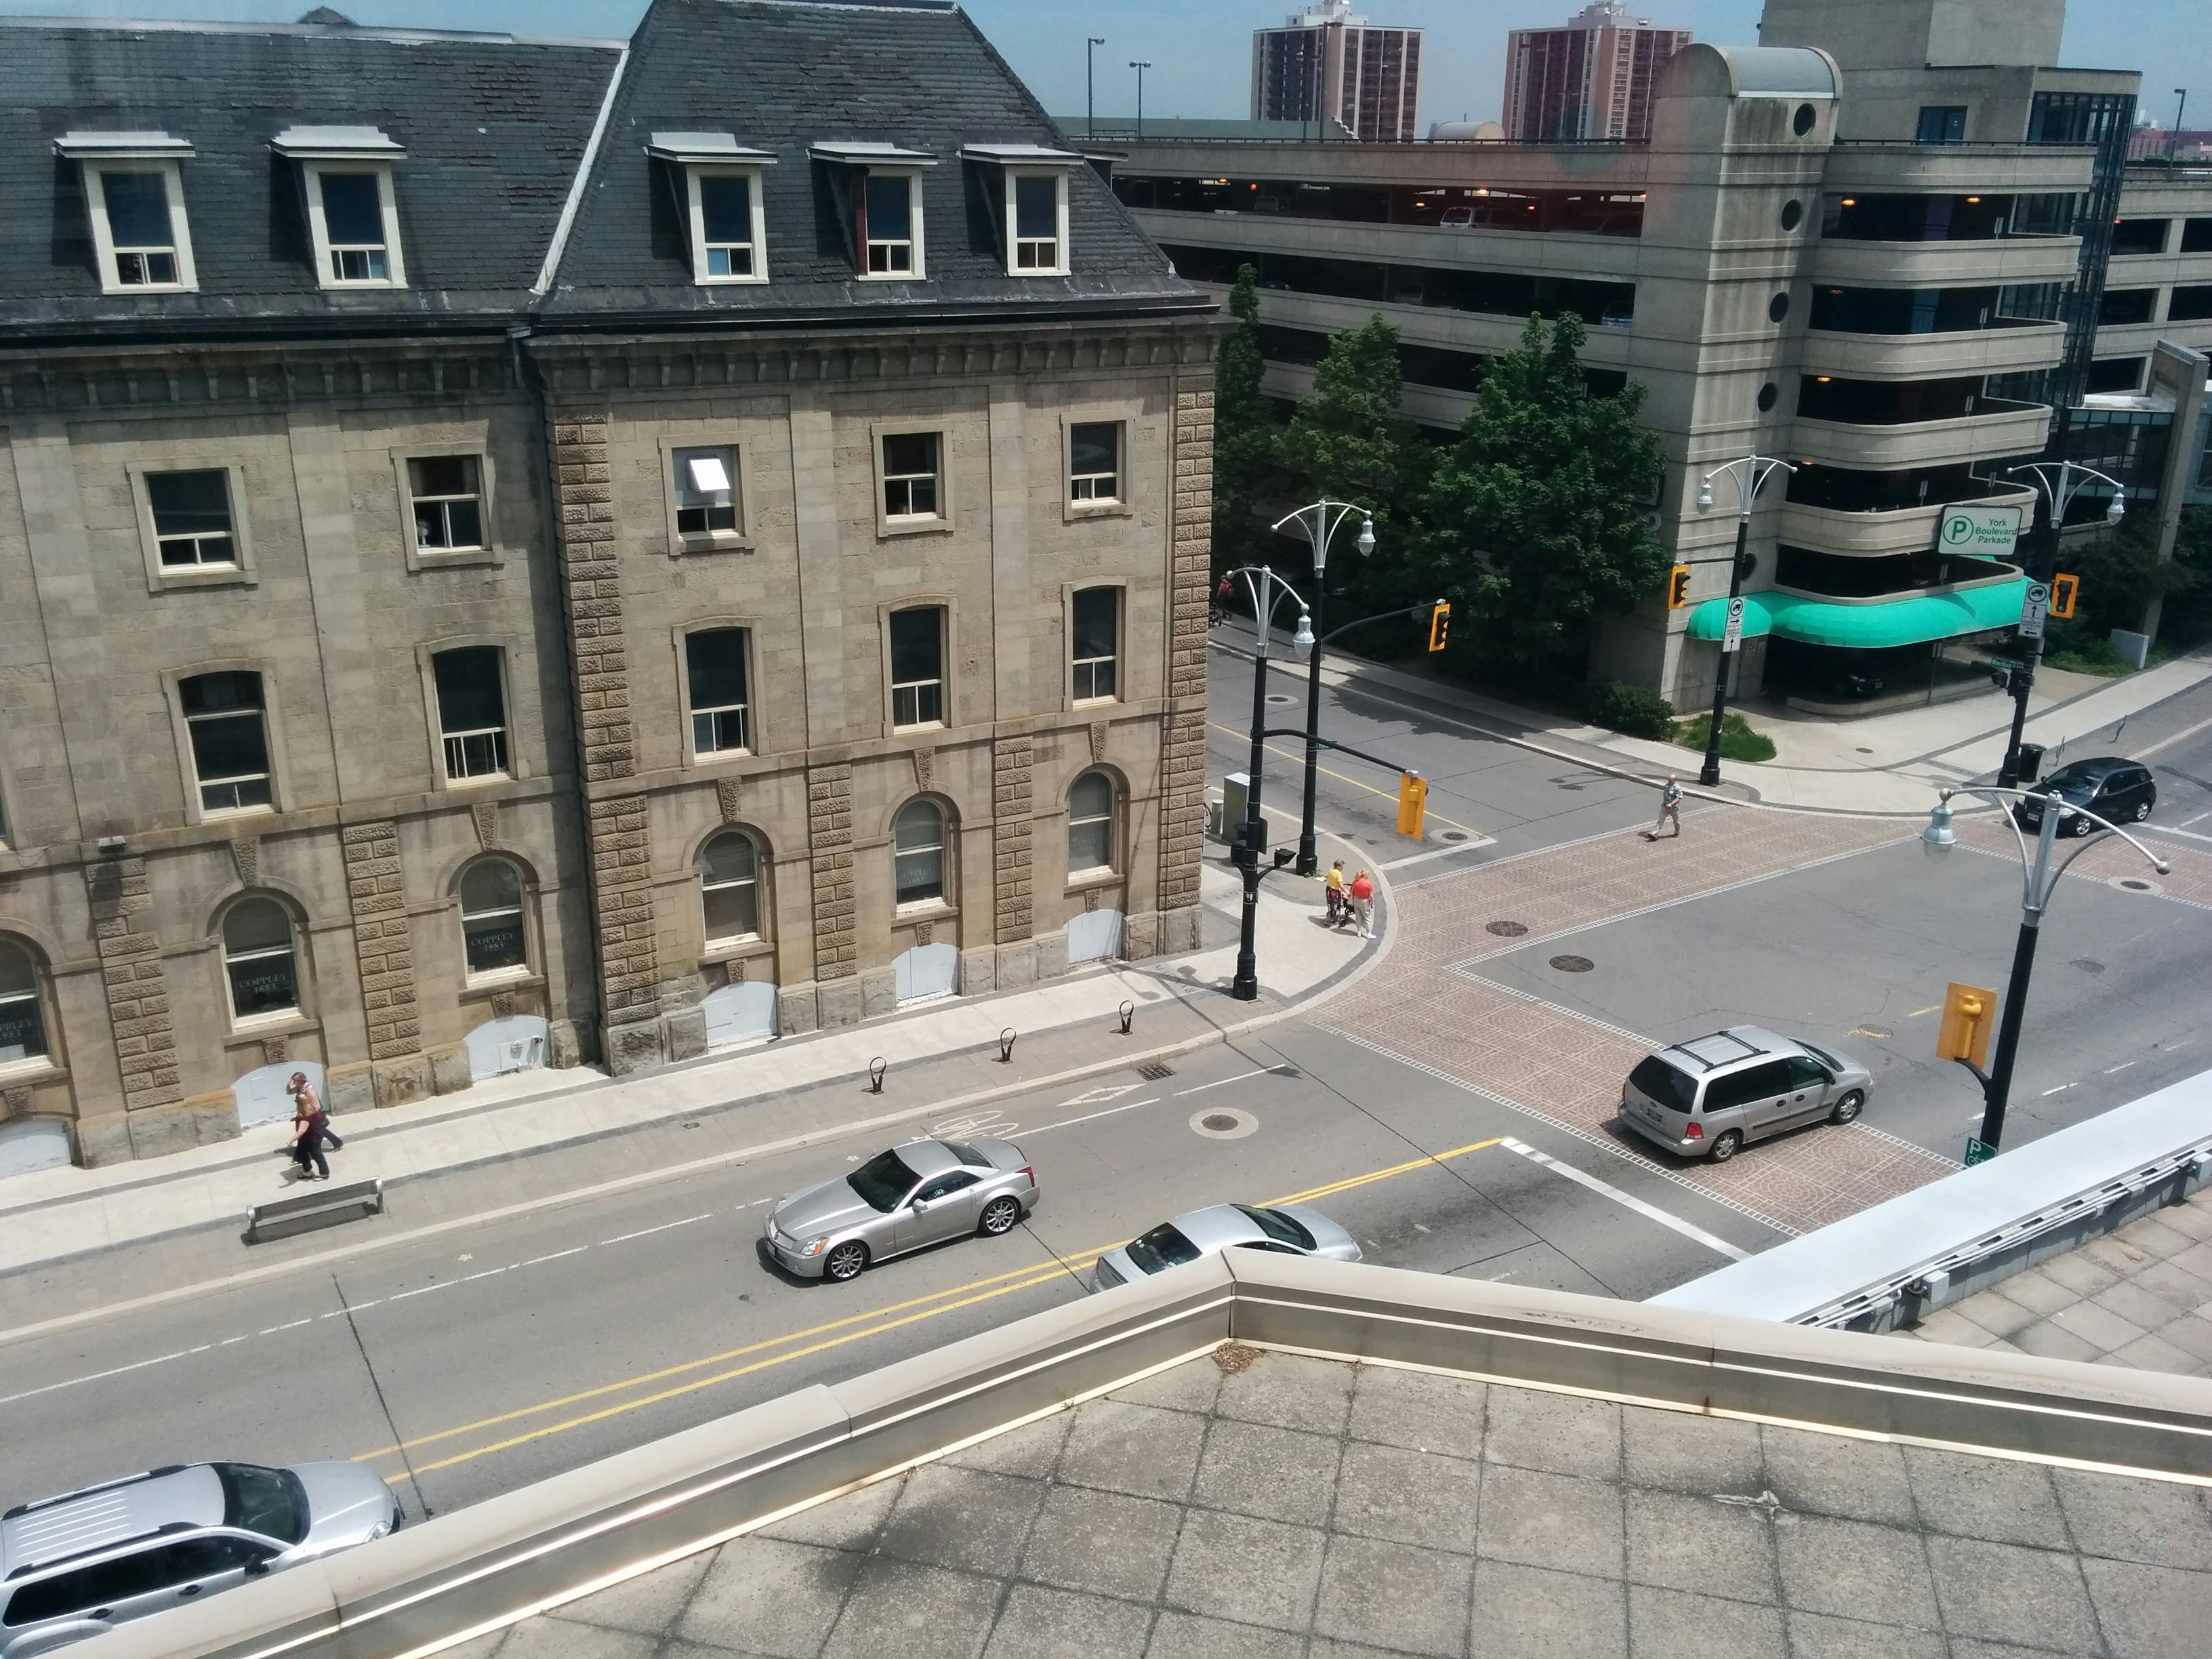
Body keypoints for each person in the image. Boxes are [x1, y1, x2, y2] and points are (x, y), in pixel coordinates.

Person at [285, 1071, 341, 1182]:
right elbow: (289, 1092)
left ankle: (324, 1172)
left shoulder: (309, 1090)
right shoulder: (300, 1089)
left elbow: (316, 1107)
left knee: (315, 1150)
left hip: (312, 1121)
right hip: (306, 1119)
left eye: (295, 1081)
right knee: (303, 1149)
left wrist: (307, 1118)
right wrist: (288, 1085)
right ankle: (307, 1171)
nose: (294, 1083)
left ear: (300, 1081)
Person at [1645, 774, 1683, 840]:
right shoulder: (1667, 785)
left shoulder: (1677, 788)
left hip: (1674, 808)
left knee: (1676, 821)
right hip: (1665, 806)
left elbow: (1679, 798)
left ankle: (1677, 832)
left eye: (1670, 780)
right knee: (1660, 820)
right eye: (1668, 779)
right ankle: (1655, 834)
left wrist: (1671, 804)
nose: (1669, 781)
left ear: (1674, 780)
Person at [1347, 867, 1375, 939]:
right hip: (1364, 902)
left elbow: (1351, 891)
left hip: (1356, 900)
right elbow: (1371, 896)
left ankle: (1359, 931)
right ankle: (1368, 933)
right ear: (1365, 875)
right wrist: (1372, 903)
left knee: (1358, 916)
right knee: (1367, 916)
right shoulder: (1368, 884)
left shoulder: (1355, 882)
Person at [1324, 858, 1347, 926]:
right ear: (1338, 866)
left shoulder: (1331, 870)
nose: (1343, 868)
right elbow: (1341, 885)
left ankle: (1333, 918)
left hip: (1329, 889)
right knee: (1335, 906)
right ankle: (1330, 920)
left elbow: (1328, 878)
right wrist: (1346, 892)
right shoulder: (1338, 873)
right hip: (1334, 892)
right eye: (1342, 866)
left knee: (1330, 905)